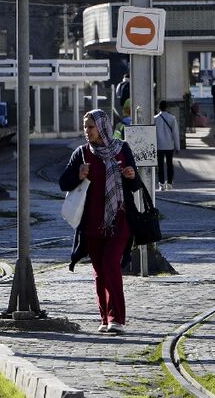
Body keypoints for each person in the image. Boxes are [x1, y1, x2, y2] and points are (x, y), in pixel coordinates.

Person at [59, 109, 141, 335]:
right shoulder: (82, 153)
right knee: (99, 272)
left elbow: (136, 185)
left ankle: (117, 318)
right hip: (92, 225)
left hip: (119, 220)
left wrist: (131, 175)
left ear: (102, 127)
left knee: (111, 266)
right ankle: (104, 317)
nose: (87, 131)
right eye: (85, 127)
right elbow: (63, 183)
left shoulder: (122, 149)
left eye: (91, 127)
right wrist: (78, 174)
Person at [153, 101, 180, 191]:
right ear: (167, 107)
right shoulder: (172, 118)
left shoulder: (155, 119)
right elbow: (175, 133)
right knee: (170, 165)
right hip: (169, 145)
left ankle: (161, 184)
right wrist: (177, 147)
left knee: (160, 165)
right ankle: (169, 183)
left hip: (159, 145)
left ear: (159, 107)